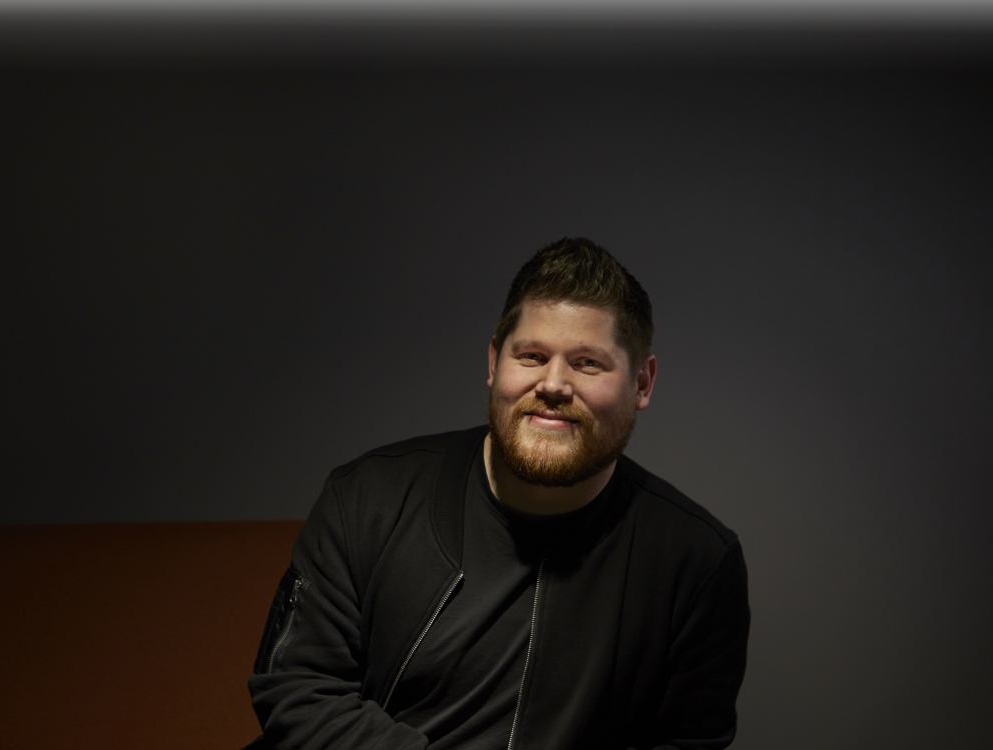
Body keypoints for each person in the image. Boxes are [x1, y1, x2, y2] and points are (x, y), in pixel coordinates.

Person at [246, 238, 750, 750]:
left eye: (587, 363)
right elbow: (298, 691)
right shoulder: (367, 498)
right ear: (494, 363)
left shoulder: (698, 563)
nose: (553, 384)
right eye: (532, 356)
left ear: (641, 383)